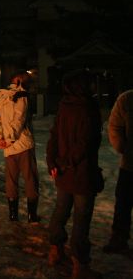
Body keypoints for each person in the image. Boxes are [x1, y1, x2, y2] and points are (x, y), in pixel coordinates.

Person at [46, 69, 103, 278]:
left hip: (64, 173)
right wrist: (63, 163)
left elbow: (54, 137)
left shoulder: (64, 106)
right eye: (91, 83)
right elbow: (85, 144)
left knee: (61, 210)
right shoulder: (88, 108)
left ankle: (56, 250)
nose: (94, 87)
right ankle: (79, 264)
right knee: (81, 218)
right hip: (81, 174)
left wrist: (53, 162)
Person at [0, 71, 40, 223]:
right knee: (30, 179)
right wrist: (9, 140)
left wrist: (0, 139)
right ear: (18, 81)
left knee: (11, 180)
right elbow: (19, 121)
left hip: (8, 147)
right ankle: (32, 216)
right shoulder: (21, 96)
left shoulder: (2, 96)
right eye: (26, 80)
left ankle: (13, 215)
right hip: (23, 145)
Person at [103, 89, 133, 254]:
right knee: (123, 202)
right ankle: (119, 239)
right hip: (130, 164)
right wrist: (124, 148)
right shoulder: (127, 99)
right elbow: (114, 126)